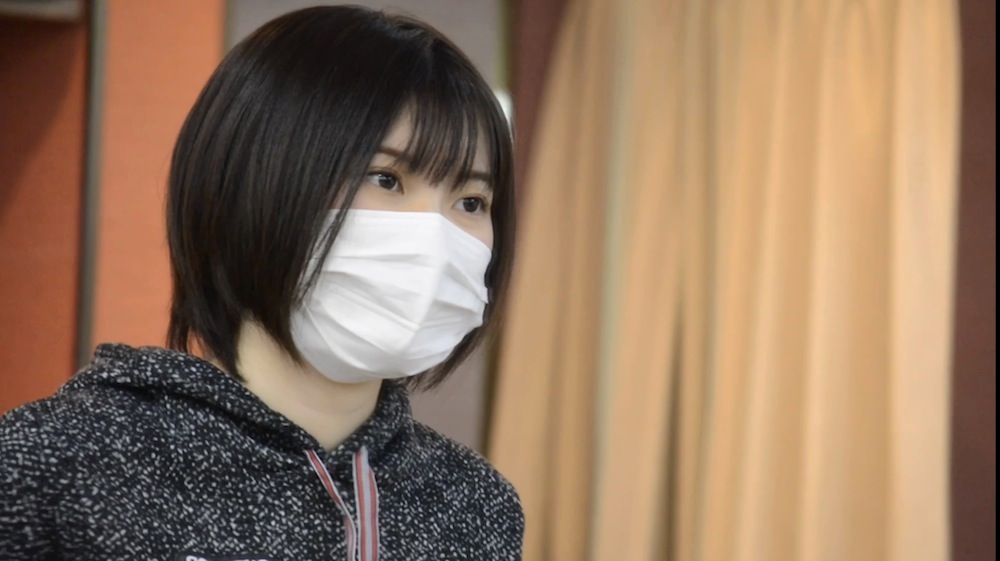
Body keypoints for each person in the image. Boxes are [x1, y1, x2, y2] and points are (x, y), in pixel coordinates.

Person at [0, 5, 523, 560]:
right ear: (254, 181)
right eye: (385, 178)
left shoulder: (475, 505)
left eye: (471, 201)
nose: (434, 234)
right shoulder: (58, 464)